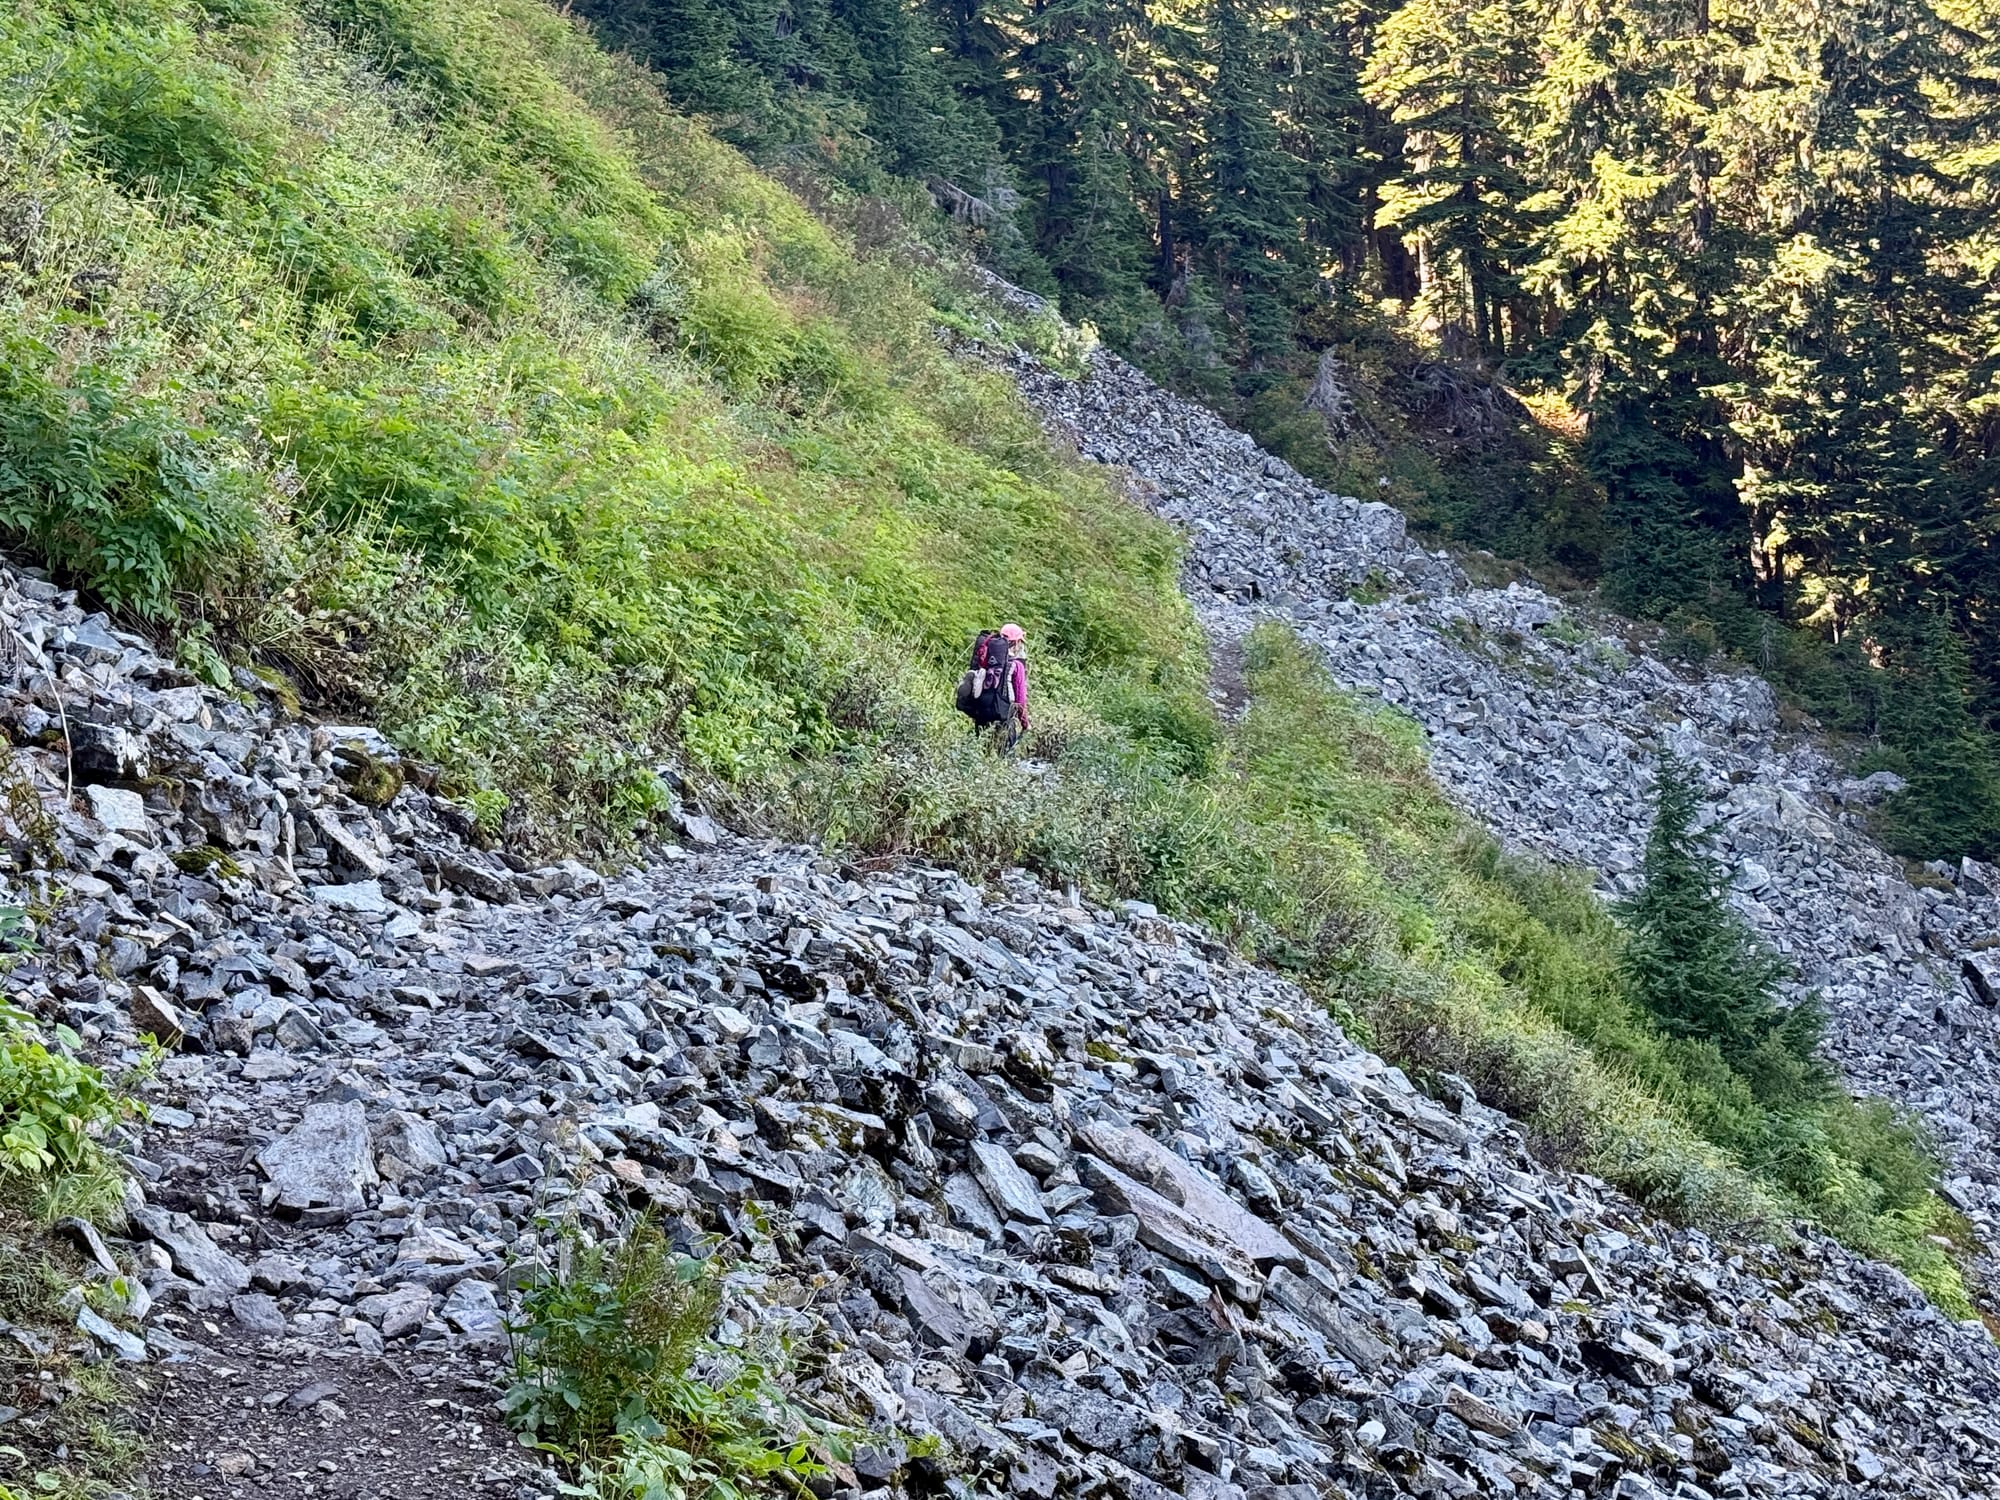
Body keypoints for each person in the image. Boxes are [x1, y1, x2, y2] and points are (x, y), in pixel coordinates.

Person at [994, 622, 1029, 753]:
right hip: (1005, 717)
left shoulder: (990, 660)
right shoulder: (1017, 665)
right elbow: (1020, 701)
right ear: (1016, 642)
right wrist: (1025, 723)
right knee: (1005, 755)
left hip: (983, 716)